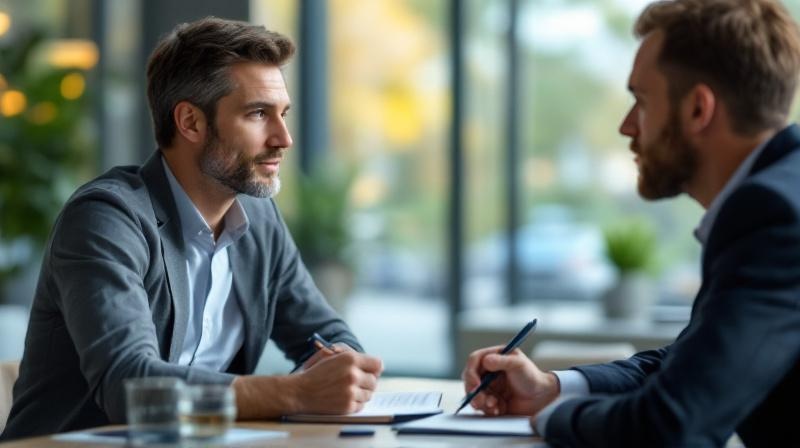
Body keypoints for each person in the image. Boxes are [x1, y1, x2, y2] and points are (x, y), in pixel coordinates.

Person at [0, 17, 383, 440]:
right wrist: (293, 394)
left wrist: (341, 370)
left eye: (284, 114)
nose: (284, 137)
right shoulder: (105, 218)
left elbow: (326, 336)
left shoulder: (259, 219)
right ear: (191, 122)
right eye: (258, 114)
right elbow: (130, 386)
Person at [462, 0, 800, 446]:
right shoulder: (780, 195)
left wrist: (547, 418)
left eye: (641, 101)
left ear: (699, 109)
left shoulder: (772, 215)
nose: (626, 126)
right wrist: (552, 390)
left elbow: (671, 425)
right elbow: (689, 362)